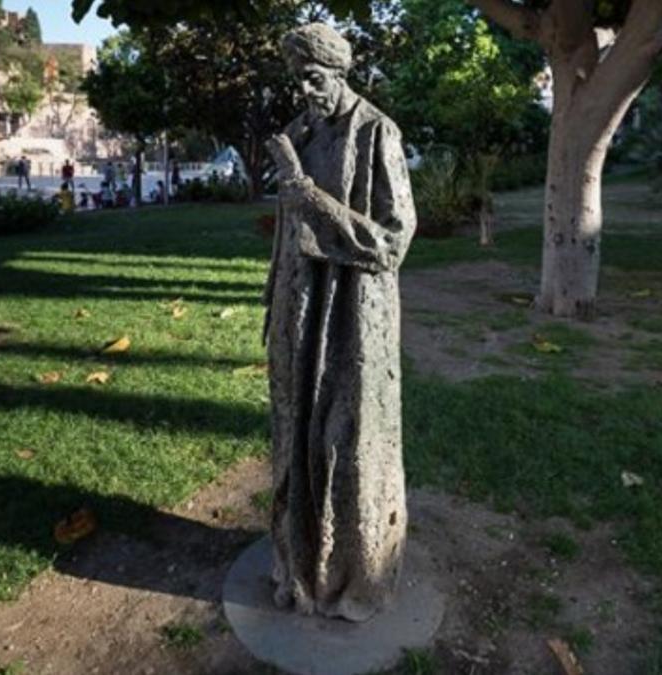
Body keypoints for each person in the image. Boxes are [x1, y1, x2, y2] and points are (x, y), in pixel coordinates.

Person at [263, 23, 416, 623]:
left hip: (352, 315)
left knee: (348, 438)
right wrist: (273, 301)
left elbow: (393, 240)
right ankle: (300, 566)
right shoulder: (300, 132)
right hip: (299, 313)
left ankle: (354, 575)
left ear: (340, 74)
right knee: (295, 431)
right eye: (298, 79)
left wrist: (311, 197)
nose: (305, 90)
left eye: (315, 78)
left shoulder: (376, 132)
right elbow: (285, 235)